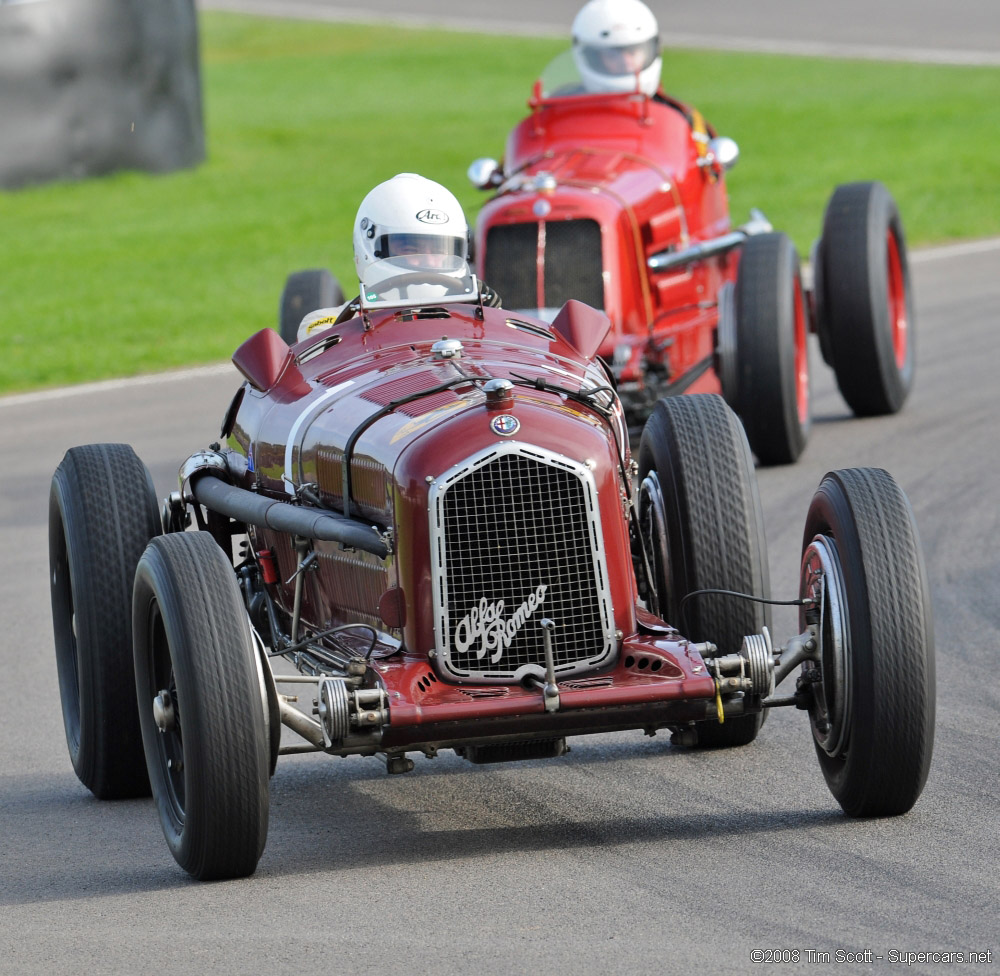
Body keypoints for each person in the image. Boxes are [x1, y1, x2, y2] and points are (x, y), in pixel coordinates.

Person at [298, 173, 501, 341]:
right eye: (411, 248)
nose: (429, 261)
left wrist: (492, 317)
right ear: (370, 247)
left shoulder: (477, 319)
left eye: (440, 250)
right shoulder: (327, 326)